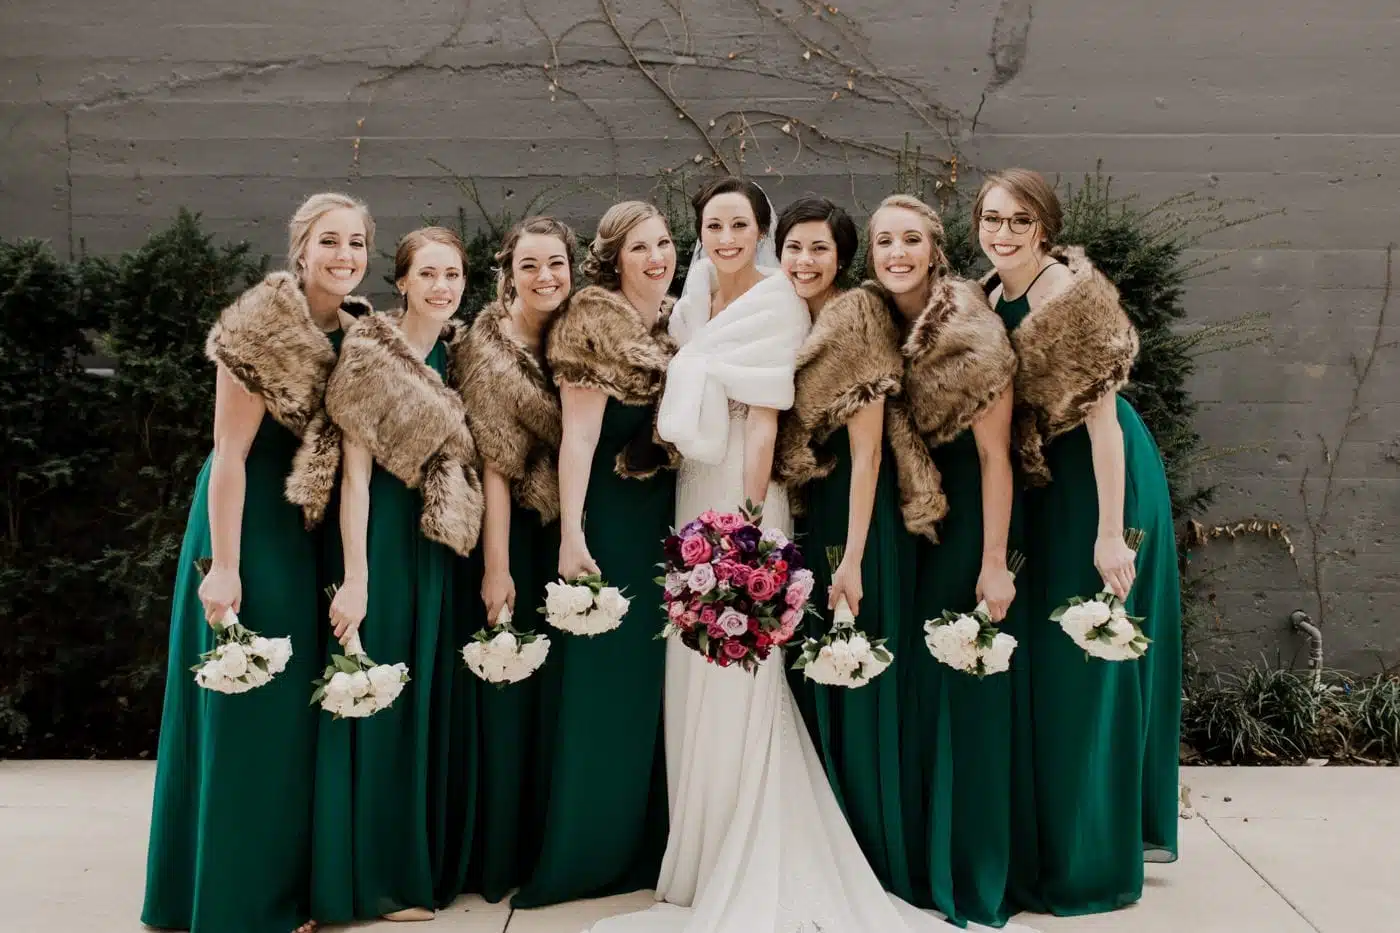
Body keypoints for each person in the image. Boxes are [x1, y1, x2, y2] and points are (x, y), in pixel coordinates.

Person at [586, 176, 1037, 933]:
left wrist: (746, 531)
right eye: (714, 225)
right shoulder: (695, 306)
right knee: (694, 668)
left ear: (758, 231)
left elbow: (774, 426)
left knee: (745, 673)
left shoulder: (784, 305)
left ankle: (750, 840)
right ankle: (698, 846)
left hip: (743, 500)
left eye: (742, 225)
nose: (727, 238)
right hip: (693, 490)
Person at [142, 192, 375, 933]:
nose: (345, 255)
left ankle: (288, 885)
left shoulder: (361, 331)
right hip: (249, 528)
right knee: (252, 708)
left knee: (296, 717)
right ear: (300, 249)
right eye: (330, 241)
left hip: (313, 530)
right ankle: (238, 898)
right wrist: (224, 565)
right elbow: (230, 456)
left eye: (358, 242)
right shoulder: (258, 329)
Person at [977, 168, 1181, 915]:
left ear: (1045, 229)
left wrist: (1108, 533)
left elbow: (1101, 421)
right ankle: (1053, 832)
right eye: (991, 218)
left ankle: (1091, 853)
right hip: (1043, 482)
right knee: (1047, 662)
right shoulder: (990, 293)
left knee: (1088, 657)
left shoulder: (1067, 294)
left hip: (1102, 481)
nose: (1002, 233)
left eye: (1018, 221)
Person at [310, 226, 484, 923]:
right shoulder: (370, 353)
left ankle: (424, 863)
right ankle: (375, 876)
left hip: (439, 543)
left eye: (455, 276)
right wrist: (356, 578)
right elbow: (353, 481)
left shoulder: (463, 355)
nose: (443, 287)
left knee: (424, 698)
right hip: (379, 535)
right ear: (402, 281)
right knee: (374, 702)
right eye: (430, 274)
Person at [512, 208, 679, 907]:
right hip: (607, 520)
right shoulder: (592, 322)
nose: (657, 256)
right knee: (600, 685)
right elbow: (576, 440)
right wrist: (573, 533)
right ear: (613, 258)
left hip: (662, 522)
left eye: (666, 243)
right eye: (640, 246)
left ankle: (644, 842)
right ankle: (585, 849)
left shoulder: (675, 321)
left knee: (647, 688)